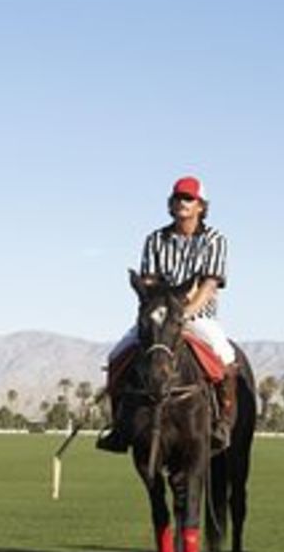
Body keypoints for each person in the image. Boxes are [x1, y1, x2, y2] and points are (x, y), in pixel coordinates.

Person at [97, 175, 237, 453]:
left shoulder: (215, 240)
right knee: (117, 356)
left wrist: (182, 314)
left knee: (225, 357)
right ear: (171, 204)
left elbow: (208, 287)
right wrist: (157, 311)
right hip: (160, 317)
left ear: (200, 206)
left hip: (198, 317)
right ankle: (119, 427)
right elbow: (150, 284)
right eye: (178, 198)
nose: (182, 203)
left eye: (189, 199)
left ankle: (222, 422)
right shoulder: (155, 240)